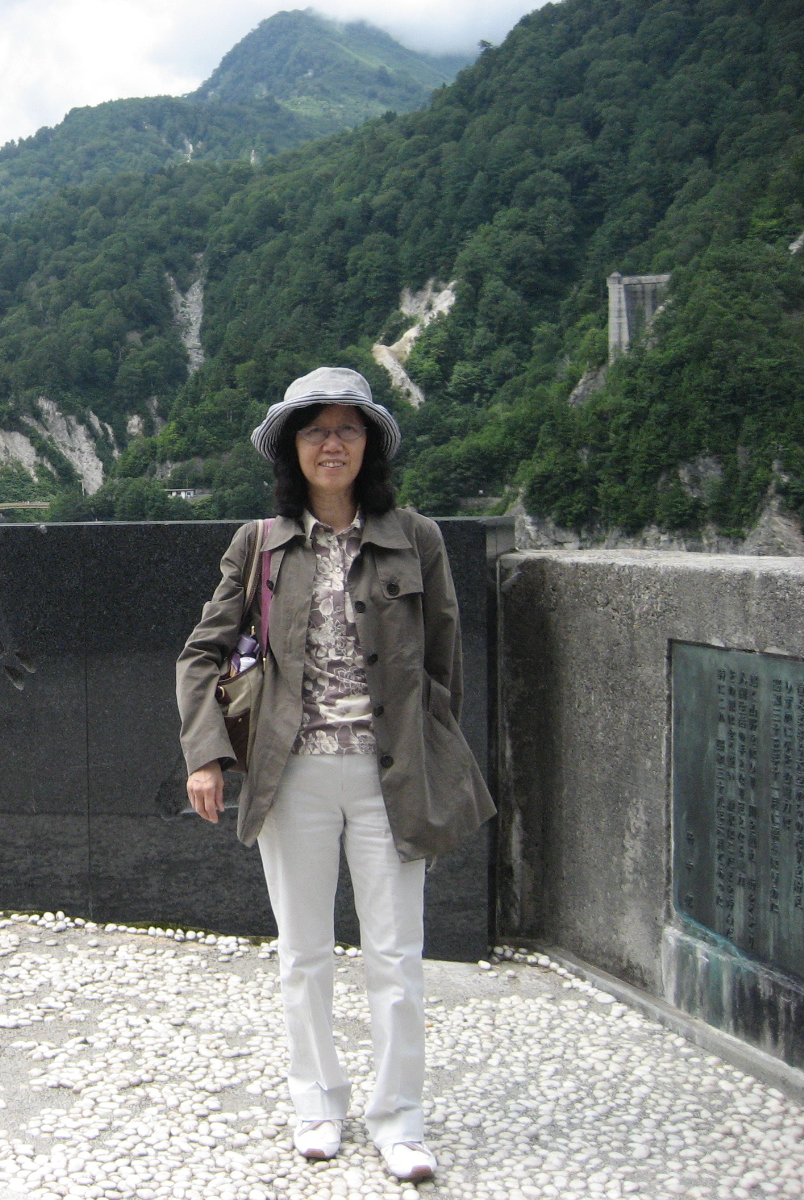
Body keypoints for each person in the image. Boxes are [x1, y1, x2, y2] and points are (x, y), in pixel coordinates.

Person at [174, 366, 494, 1183]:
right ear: (292, 447)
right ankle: (316, 1103)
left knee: (397, 954)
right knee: (304, 952)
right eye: (315, 429)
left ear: (369, 444)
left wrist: (433, 750)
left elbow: (445, 660)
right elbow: (202, 653)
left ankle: (399, 1118)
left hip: (391, 774)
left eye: (348, 428)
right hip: (294, 776)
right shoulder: (260, 545)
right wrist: (205, 753)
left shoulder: (415, 538)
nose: (331, 443)